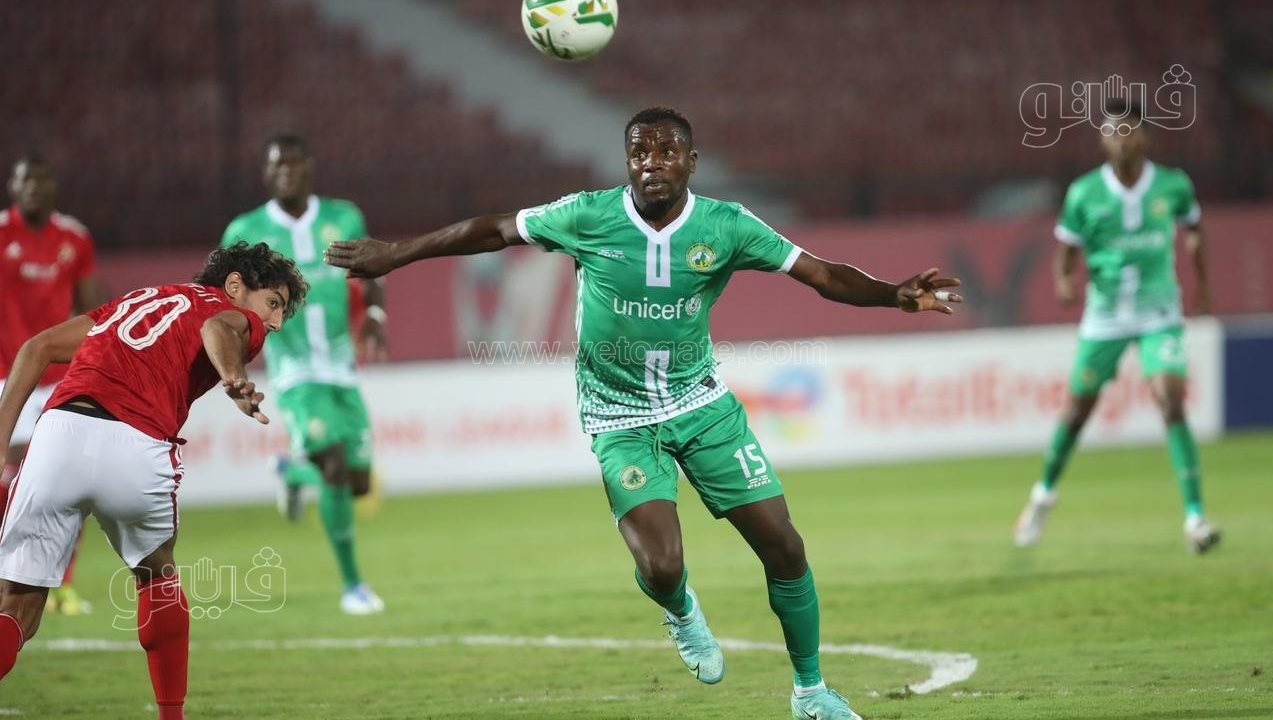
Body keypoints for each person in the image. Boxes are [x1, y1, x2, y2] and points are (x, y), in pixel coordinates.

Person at [325, 106, 962, 720]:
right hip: (618, 415)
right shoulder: (588, 215)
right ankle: (680, 610)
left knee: (785, 547)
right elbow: (493, 230)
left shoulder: (727, 226)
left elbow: (820, 275)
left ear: (691, 161)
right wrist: (396, 254)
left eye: (666, 151)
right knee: (662, 566)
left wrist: (893, 295)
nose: (652, 162)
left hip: (702, 406)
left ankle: (811, 692)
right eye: (639, 153)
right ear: (627, 162)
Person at [0, 241, 307, 719]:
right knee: (158, 577)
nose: (276, 322)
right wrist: (233, 377)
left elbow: (36, 348)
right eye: (274, 303)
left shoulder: (136, 300)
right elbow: (217, 328)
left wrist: (1, 441)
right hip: (136, 444)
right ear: (235, 285)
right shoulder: (234, 315)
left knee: (16, 610)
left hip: (60, 436)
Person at [1015, 99, 1219, 553]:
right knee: (1077, 412)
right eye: (1111, 132)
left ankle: (1196, 518)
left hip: (1159, 313)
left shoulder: (1173, 185)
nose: (1120, 140)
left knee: (1171, 401)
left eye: (1127, 131)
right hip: (1105, 317)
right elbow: (1066, 251)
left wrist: (1204, 285)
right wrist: (1065, 281)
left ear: (1145, 136)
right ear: (1102, 140)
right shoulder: (1084, 193)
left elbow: (1195, 229)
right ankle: (1042, 496)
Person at [222, 134, 388, 615]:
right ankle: (354, 586)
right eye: (278, 165)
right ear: (266, 173)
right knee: (333, 465)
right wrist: (234, 360)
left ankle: (294, 471)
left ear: (310, 168)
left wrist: (376, 316)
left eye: (294, 163)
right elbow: (221, 302)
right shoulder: (246, 231)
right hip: (294, 371)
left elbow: (371, 274)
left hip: (341, 366)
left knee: (358, 482)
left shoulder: (344, 217)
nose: (287, 172)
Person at [0, 154, 101, 615]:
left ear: (54, 188)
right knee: (12, 475)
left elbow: (90, 309)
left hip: (58, 375)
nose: (34, 189)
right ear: (13, 187)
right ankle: (14, 574)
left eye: (41, 181)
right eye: (26, 181)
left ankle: (62, 583)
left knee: (72, 479)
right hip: (7, 375)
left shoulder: (74, 238)